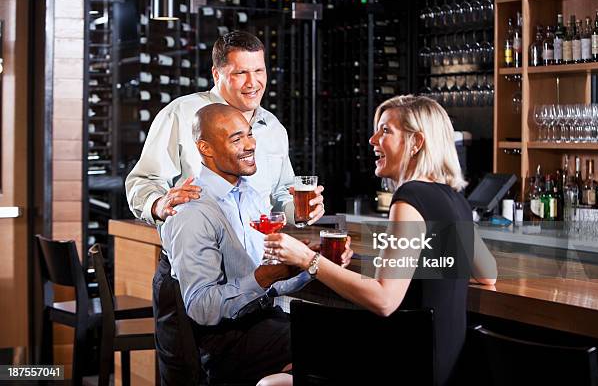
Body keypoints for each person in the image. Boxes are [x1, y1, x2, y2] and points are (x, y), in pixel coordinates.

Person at [264, 95, 498, 386]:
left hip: (405, 368)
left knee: (271, 383)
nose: (373, 139)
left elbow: (385, 300)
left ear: (416, 142)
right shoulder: (455, 198)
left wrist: (307, 259)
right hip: (441, 368)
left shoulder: (410, 198)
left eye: (386, 131)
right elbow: (488, 275)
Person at [159, 103, 352, 385]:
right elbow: (202, 307)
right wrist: (266, 276)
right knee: (332, 347)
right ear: (206, 148)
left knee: (343, 336)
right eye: (236, 139)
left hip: (262, 322)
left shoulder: (250, 196)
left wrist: (312, 264)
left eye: (249, 134)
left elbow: (267, 283)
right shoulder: (192, 212)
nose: (250, 145)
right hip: (223, 343)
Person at [125, 30, 324, 224]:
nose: (253, 82)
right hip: (198, 249)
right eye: (241, 73)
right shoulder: (181, 113)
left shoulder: (273, 127)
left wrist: (298, 210)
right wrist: (159, 204)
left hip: (257, 252)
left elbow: (281, 193)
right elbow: (143, 181)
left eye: (258, 71)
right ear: (216, 74)